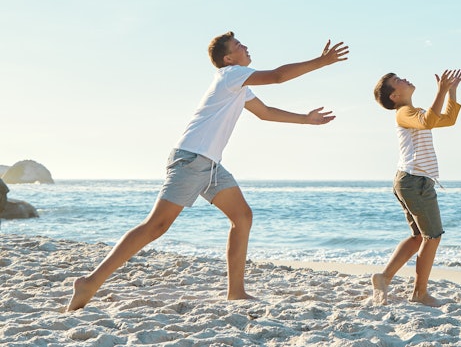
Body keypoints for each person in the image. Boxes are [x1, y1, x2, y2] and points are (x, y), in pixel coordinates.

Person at [66, 32, 349, 311]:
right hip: (191, 159)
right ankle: (90, 282)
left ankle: (236, 292)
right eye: (239, 45)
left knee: (242, 216)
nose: (246, 46)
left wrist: (306, 120)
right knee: (156, 226)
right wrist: (321, 62)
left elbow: (265, 113)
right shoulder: (231, 75)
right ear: (228, 58)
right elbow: (276, 76)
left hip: (210, 164)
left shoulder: (239, 85)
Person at [370, 68, 461, 307]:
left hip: (410, 181)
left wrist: (451, 92)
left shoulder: (414, 112)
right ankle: (420, 293)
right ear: (394, 96)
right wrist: (440, 91)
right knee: (432, 237)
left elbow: (447, 120)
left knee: (419, 237)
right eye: (397, 80)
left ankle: (383, 277)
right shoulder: (403, 113)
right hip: (414, 181)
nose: (404, 79)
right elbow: (429, 120)